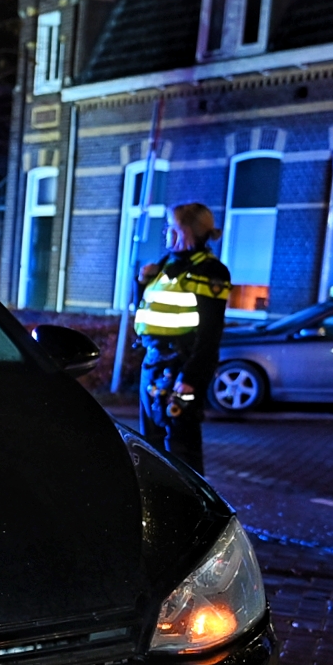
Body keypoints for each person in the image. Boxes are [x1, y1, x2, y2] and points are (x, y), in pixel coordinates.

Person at [134, 201, 230, 472]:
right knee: (150, 442)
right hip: (153, 362)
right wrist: (140, 283)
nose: (167, 234)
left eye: (173, 228)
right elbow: (145, 312)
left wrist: (190, 378)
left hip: (180, 365)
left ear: (189, 232)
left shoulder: (210, 271)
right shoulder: (168, 262)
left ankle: (191, 509)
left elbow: (210, 333)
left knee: (181, 446)